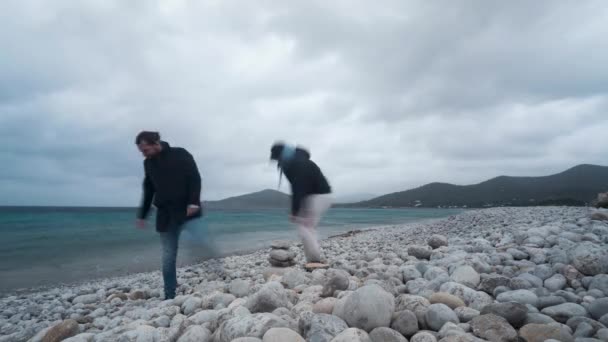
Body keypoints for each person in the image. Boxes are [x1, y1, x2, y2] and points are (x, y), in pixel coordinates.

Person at [135, 131, 202, 299]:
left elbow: (195, 178)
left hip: (188, 211)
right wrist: (143, 215)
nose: (143, 154)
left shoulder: (180, 154)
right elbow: (149, 189)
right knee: (168, 256)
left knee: (205, 246)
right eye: (141, 151)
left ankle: (220, 275)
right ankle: (169, 294)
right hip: (165, 215)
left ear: (156, 142)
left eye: (145, 150)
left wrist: (193, 202)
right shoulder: (148, 164)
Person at [270, 142, 332, 263]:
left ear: (281, 155)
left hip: (317, 196)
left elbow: (298, 187)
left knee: (304, 227)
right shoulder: (294, 160)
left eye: (277, 158)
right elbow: (298, 187)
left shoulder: (297, 163)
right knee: (308, 228)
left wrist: (294, 211)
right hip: (316, 196)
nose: (277, 161)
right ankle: (313, 259)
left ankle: (315, 259)